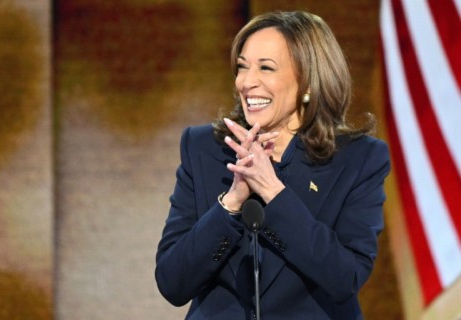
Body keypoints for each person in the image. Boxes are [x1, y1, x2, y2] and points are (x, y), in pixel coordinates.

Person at [155, 10, 390, 320]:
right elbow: (173, 283)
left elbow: (344, 278)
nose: (247, 82)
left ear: (308, 80)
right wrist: (231, 203)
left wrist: (272, 192)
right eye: (242, 67)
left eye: (266, 68)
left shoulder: (358, 159)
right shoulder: (204, 148)